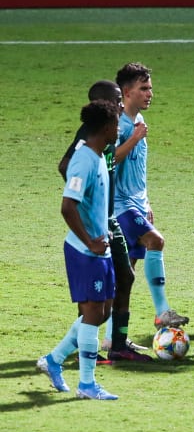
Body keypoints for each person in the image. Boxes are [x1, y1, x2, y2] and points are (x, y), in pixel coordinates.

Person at [58, 80, 151, 362]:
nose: (121, 104)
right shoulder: (90, 136)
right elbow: (65, 165)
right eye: (116, 99)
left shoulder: (111, 132)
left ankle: (116, 344)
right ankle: (85, 348)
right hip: (97, 224)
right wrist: (86, 198)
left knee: (125, 277)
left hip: (110, 219)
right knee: (96, 294)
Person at [38, 100, 122, 399]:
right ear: (107, 127)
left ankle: (54, 360)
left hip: (100, 248)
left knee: (103, 312)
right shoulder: (83, 160)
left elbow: (90, 203)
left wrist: (101, 232)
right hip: (85, 251)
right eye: (116, 124)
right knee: (92, 313)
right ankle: (87, 384)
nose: (119, 130)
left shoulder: (99, 156)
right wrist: (89, 241)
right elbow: (67, 206)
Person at [113, 62, 189, 330]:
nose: (150, 94)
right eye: (143, 89)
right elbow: (109, 160)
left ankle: (113, 336)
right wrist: (133, 139)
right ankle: (162, 312)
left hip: (136, 203)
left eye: (150, 88)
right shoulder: (118, 125)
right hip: (119, 205)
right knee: (156, 241)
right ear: (127, 92)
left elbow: (137, 168)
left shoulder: (139, 122)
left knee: (127, 274)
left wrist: (146, 203)